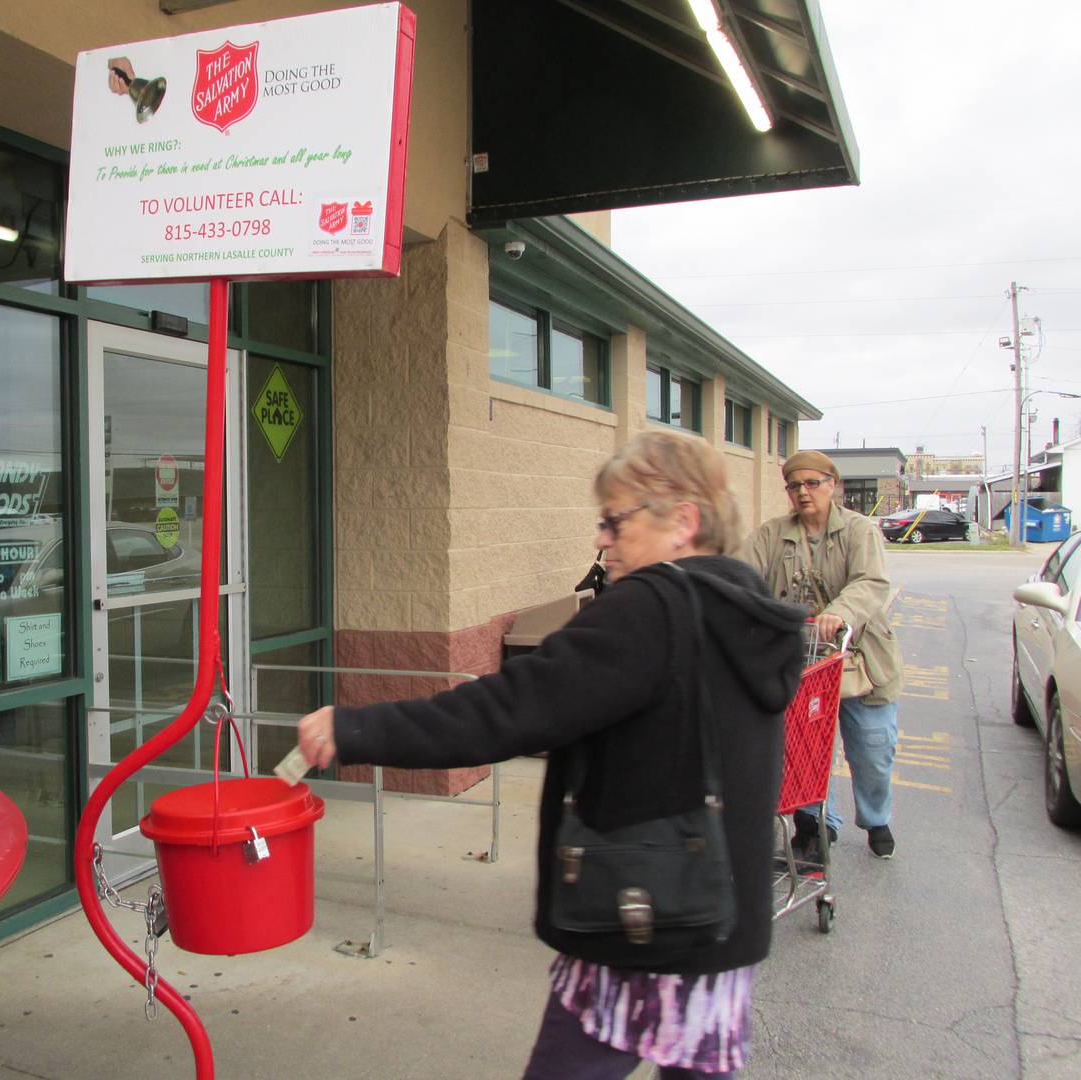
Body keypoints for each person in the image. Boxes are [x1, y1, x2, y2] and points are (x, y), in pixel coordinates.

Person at [297, 429, 805, 1078]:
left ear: (684, 522)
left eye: (614, 522)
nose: (602, 539)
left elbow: (506, 710)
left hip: (640, 921)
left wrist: (357, 729)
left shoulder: (649, 608)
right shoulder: (744, 606)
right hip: (716, 925)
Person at [742, 450, 903, 861]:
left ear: (834, 486)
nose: (803, 492)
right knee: (807, 749)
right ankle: (816, 826)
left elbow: (871, 581)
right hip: (805, 661)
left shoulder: (859, 530)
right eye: (794, 485)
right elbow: (743, 576)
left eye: (812, 483)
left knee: (872, 749)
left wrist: (840, 612)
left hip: (862, 659)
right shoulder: (771, 535)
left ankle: (875, 817)